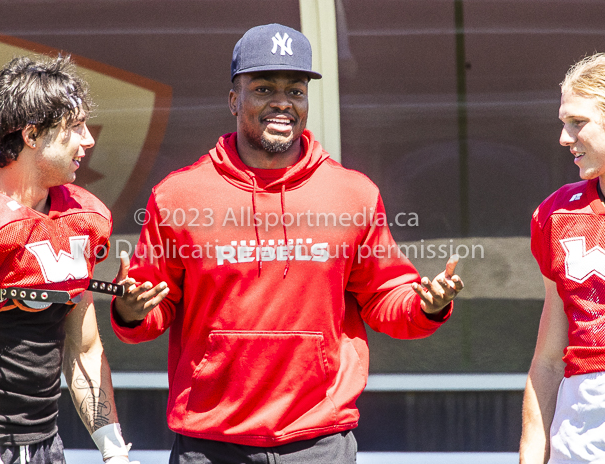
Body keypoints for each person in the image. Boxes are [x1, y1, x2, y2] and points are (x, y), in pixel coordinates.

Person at [111, 23, 464, 463]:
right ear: (234, 100)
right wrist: (130, 311)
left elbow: (383, 298)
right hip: (211, 443)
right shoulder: (179, 195)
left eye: (295, 91)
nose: (282, 102)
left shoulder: (352, 193)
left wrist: (425, 305)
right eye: (264, 88)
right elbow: (151, 310)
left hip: (319, 441)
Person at [0, 56, 138, 464]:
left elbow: (84, 349)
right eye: (75, 127)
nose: (88, 140)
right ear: (33, 134)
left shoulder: (81, 217)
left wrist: (114, 454)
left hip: (44, 443)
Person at [521, 53, 605, 463]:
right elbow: (550, 360)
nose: (564, 138)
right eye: (563, 123)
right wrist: (532, 453)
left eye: (578, 122)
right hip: (580, 440)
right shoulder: (556, 214)